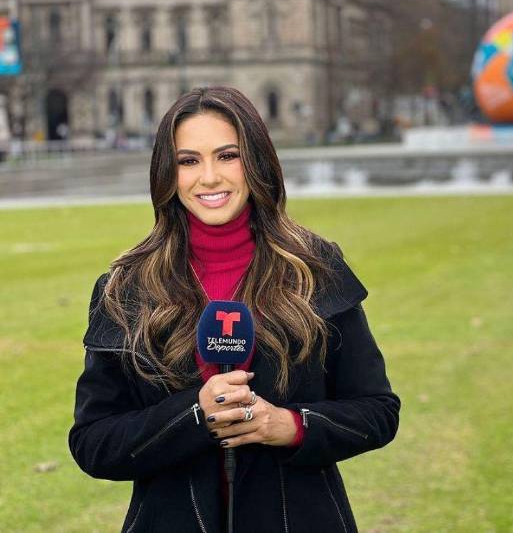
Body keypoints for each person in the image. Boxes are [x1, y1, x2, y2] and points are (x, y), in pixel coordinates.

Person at [68, 86, 400, 532]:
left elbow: (377, 412)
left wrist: (288, 426)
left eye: (227, 156)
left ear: (257, 161)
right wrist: (195, 414)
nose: (209, 178)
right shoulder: (125, 287)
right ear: (167, 173)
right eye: (189, 161)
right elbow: (93, 443)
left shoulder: (315, 269)